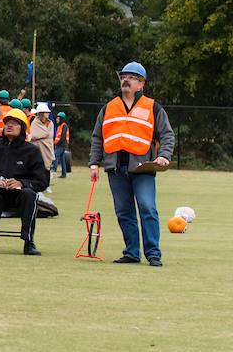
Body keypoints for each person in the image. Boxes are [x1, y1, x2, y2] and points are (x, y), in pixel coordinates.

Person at [88, 62, 175, 267]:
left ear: (141, 84)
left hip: (143, 167)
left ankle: (153, 253)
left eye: (132, 77)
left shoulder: (153, 107)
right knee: (124, 212)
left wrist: (164, 156)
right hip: (115, 168)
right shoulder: (109, 107)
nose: (126, 80)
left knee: (147, 208)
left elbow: (167, 134)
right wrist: (94, 163)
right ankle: (132, 252)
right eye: (124, 76)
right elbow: (97, 137)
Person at [0, 109, 49, 255]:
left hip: (20, 196)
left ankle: (29, 243)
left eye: (14, 123)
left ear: (22, 128)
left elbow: (42, 181)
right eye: (7, 122)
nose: (9, 125)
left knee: (29, 195)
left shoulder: (32, 151)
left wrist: (21, 183)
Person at [28, 103, 56, 175]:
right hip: (38, 151)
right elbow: (33, 136)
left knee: (47, 170)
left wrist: (41, 137)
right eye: (46, 112)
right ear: (41, 113)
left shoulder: (50, 123)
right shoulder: (35, 123)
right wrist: (40, 137)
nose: (48, 114)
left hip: (48, 150)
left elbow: (49, 137)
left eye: (48, 112)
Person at [53, 111, 71, 178]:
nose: (56, 119)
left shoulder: (64, 126)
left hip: (62, 145)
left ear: (61, 119)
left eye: (58, 118)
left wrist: (57, 143)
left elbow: (63, 137)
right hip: (59, 144)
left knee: (55, 156)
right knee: (62, 159)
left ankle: (53, 169)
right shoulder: (59, 126)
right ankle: (64, 174)